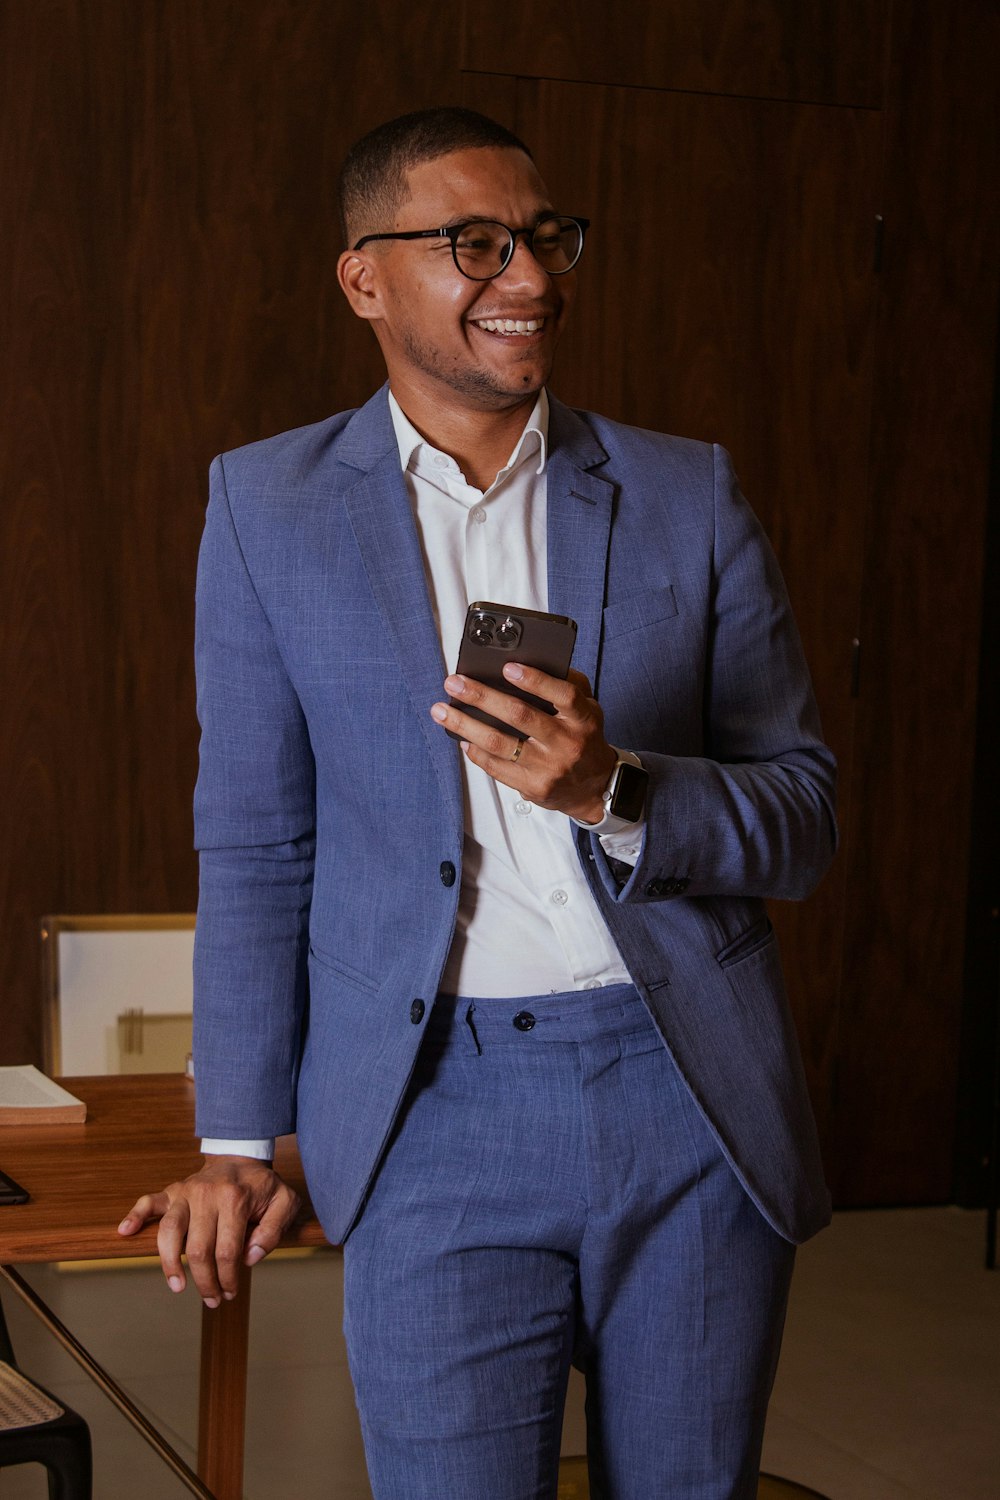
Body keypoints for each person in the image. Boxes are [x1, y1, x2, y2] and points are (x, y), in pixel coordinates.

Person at [119, 107, 837, 1498]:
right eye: (478, 244)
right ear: (365, 277)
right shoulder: (267, 507)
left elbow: (803, 818)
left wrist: (611, 786)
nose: (531, 278)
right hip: (428, 1106)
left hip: (683, 1090)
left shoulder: (686, 493)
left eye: (546, 239)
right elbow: (259, 845)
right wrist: (232, 1142)